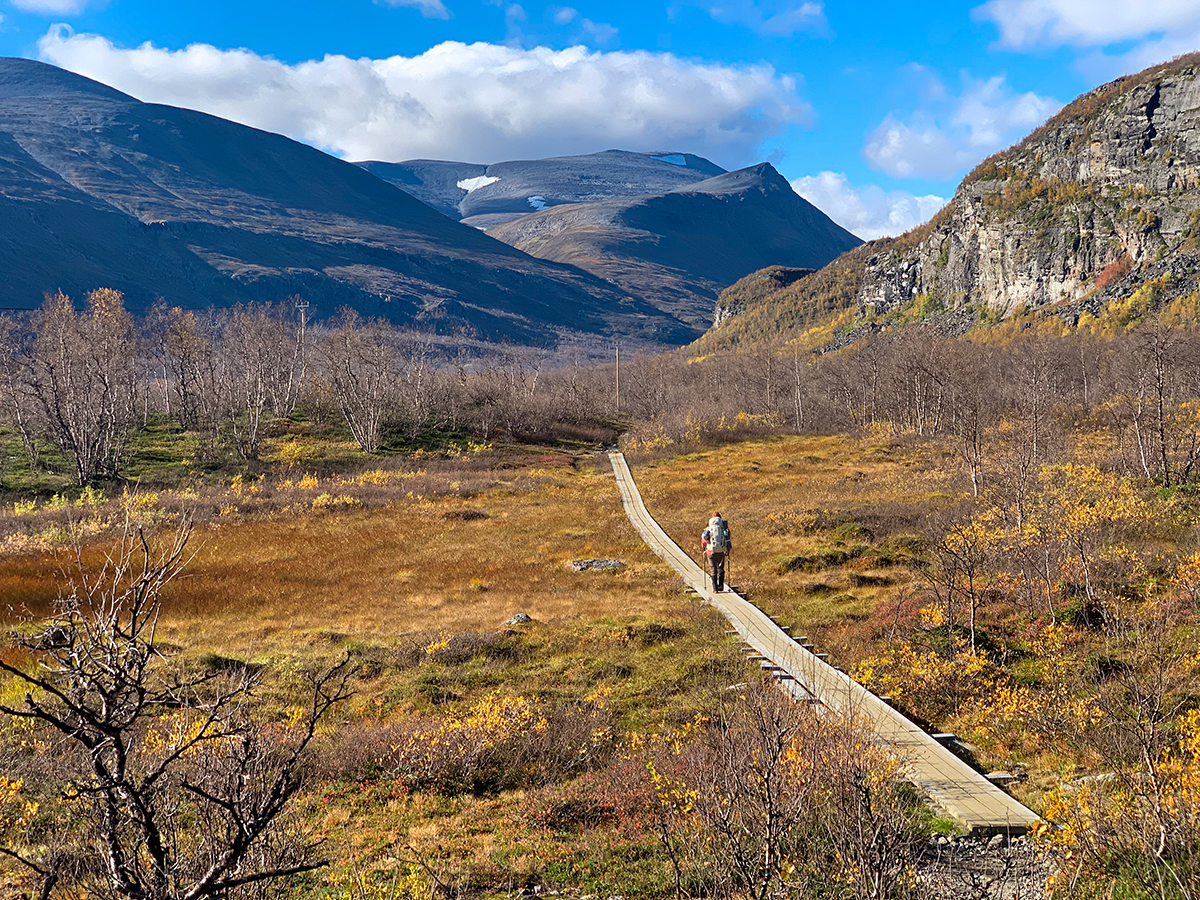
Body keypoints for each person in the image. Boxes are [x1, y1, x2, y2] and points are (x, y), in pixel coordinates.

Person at [701, 511, 732, 592]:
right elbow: (727, 540)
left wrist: (704, 548)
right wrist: (727, 550)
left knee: (713, 569)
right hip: (721, 551)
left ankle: (715, 589)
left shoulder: (709, 529)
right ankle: (720, 585)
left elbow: (704, 541)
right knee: (720, 567)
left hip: (710, 552)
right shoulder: (723, 529)